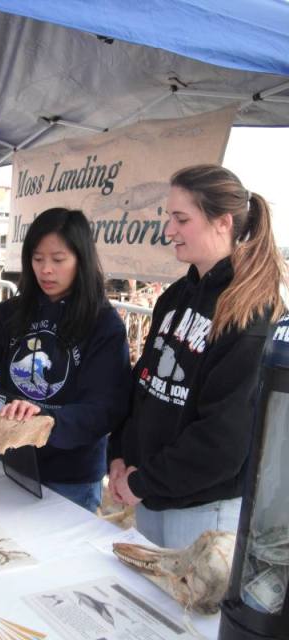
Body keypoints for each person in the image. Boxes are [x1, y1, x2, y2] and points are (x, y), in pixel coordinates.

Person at [108, 164, 287, 547]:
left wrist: (142, 481)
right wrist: (120, 454)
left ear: (222, 223)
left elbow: (224, 440)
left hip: (203, 512)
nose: (168, 230)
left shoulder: (251, 313)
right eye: (168, 217)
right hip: (151, 496)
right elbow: (145, 386)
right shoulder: (175, 297)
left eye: (181, 219)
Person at [0, 208, 130, 512]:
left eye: (58, 260)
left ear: (81, 260)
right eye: (37, 259)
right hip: (7, 462)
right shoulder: (11, 314)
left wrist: (44, 419)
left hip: (70, 478)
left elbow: (105, 407)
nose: (46, 270)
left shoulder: (104, 325)